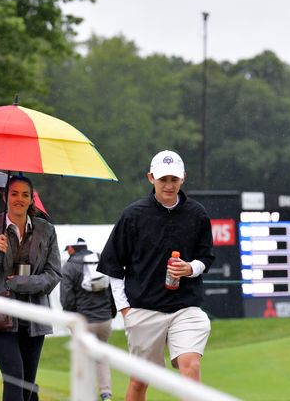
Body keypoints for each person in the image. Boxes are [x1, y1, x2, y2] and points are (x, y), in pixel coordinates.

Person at [97, 150, 215, 401]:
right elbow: (113, 265)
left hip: (186, 307)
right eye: (163, 179)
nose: (169, 185)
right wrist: (125, 309)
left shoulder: (197, 214)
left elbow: (206, 258)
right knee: (140, 381)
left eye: (174, 179)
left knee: (191, 366)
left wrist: (190, 268)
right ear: (151, 178)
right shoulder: (133, 215)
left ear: (183, 177)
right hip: (143, 309)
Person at [0, 175, 62, 401]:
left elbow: (54, 275)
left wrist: (21, 283)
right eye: (14, 194)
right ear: (4, 197)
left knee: (27, 385)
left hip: (34, 318)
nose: (19, 199)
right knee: (14, 377)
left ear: (32, 199)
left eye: (25, 195)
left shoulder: (46, 230)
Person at [59, 238, 116, 401]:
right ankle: (106, 393)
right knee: (101, 356)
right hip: (105, 319)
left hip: (83, 321)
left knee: (84, 359)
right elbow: (111, 291)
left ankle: (87, 395)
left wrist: (70, 319)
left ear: (71, 248)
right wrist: (111, 313)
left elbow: (67, 298)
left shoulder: (69, 266)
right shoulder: (99, 259)